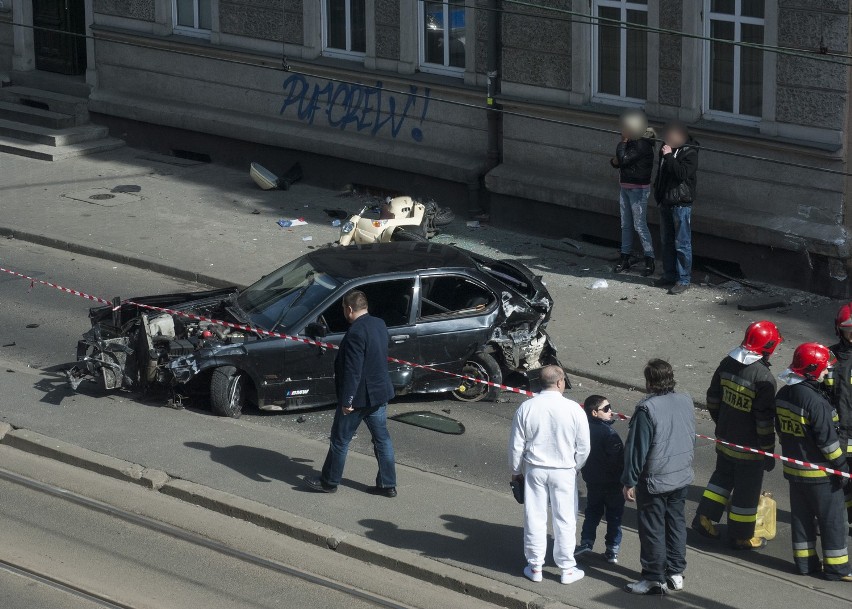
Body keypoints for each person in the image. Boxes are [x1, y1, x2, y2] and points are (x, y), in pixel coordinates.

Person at [693, 321, 781, 550]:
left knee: (721, 479)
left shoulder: (727, 363)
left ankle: (704, 518)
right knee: (746, 493)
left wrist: (722, 423)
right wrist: (767, 450)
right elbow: (764, 422)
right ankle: (741, 536)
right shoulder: (763, 379)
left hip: (724, 439)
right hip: (749, 450)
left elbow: (713, 399)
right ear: (768, 347)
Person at [304, 290, 397, 496]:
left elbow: (353, 370)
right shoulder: (380, 324)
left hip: (358, 398)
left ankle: (329, 482)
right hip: (380, 394)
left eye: (344, 309)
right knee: (382, 440)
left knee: (340, 440)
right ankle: (388, 484)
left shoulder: (355, 332)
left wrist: (347, 400)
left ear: (349, 309)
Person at [776, 343, 852, 581]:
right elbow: (829, 444)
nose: (824, 373)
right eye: (822, 369)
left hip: (794, 470)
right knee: (833, 521)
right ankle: (837, 568)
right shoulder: (817, 404)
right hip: (820, 475)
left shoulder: (783, 395)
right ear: (810, 370)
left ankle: (805, 564)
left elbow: (781, 429)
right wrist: (841, 468)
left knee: (802, 518)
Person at [509, 365, 590, 585]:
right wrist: (575, 466)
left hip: (535, 468)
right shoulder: (574, 409)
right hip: (564, 470)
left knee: (534, 517)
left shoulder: (527, 407)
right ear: (560, 382)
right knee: (565, 519)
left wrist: (516, 472)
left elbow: (516, 445)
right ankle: (566, 568)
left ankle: (535, 566)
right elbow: (584, 447)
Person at [622, 359, 695, 595]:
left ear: (649, 382)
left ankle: (653, 577)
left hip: (656, 479)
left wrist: (629, 480)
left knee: (652, 529)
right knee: (676, 525)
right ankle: (675, 572)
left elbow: (637, 450)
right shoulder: (685, 400)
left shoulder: (647, 409)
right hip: (681, 475)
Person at [575, 395, 625, 564]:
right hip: (613, 484)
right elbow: (618, 460)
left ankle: (586, 543)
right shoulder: (609, 434)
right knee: (614, 517)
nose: (611, 411)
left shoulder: (583, 429)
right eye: (606, 409)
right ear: (595, 413)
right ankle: (612, 550)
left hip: (593, 481)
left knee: (592, 513)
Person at [652, 121, 699, 296]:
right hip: (665, 201)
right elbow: (662, 173)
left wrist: (669, 157)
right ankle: (669, 274)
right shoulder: (665, 149)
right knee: (666, 242)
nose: (667, 139)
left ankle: (684, 279)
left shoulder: (690, 152)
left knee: (682, 243)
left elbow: (681, 174)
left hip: (681, 203)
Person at [610, 110, 656, 277]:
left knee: (639, 225)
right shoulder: (633, 141)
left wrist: (622, 143)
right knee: (626, 225)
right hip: (625, 186)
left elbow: (623, 159)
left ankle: (650, 259)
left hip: (638, 189)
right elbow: (618, 161)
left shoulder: (642, 143)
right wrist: (618, 157)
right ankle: (625, 257)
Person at [827, 302, 852, 528]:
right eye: (848, 330)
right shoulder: (828, 357)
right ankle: (834, 519)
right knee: (837, 480)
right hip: (837, 434)